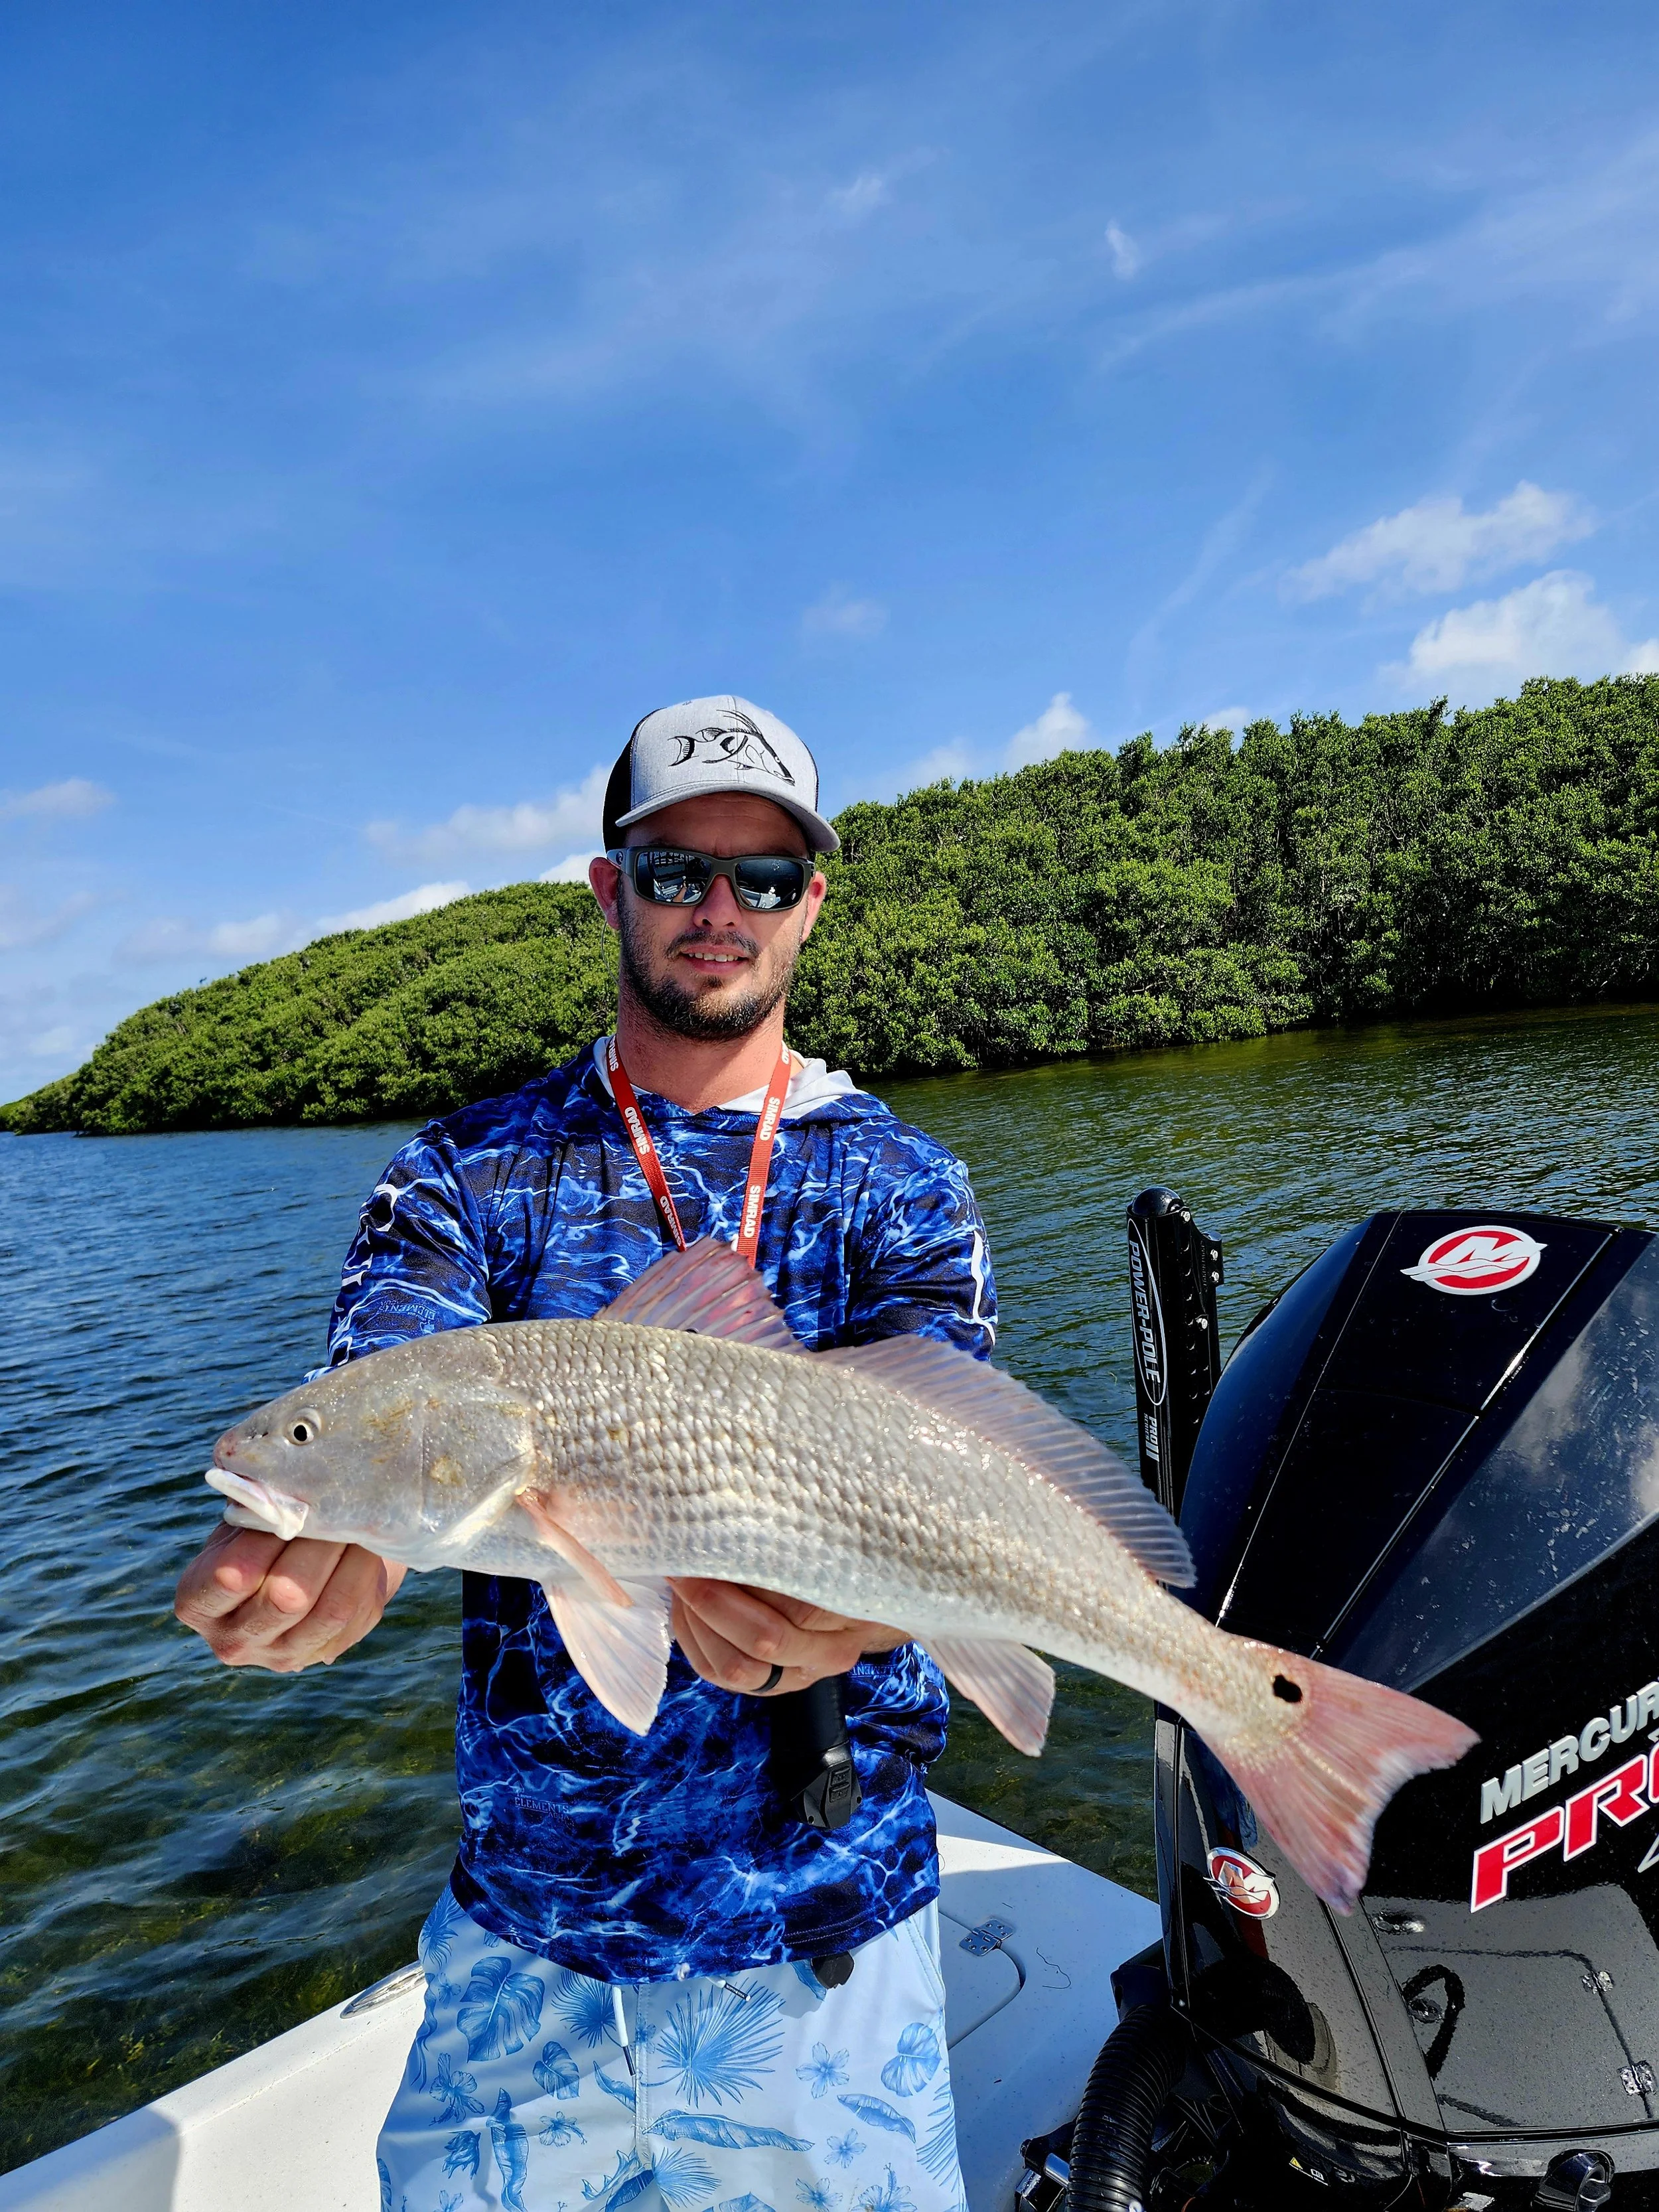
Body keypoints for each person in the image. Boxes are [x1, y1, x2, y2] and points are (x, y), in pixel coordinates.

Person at [175, 696, 997, 2212]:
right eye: (676, 867)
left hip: (826, 1933)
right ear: (608, 885)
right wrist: (323, 1572)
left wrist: (876, 1605)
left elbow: (960, 1461)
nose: (717, 910)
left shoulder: (900, 1178)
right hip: (525, 1945)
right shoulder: (463, 1169)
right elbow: (385, 1399)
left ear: (811, 899)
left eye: (761, 876)